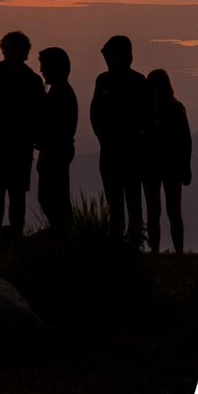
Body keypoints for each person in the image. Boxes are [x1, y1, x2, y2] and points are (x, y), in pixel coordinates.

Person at [0, 31, 45, 237]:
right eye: (7, 48)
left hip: (20, 146)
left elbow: (39, 113)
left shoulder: (33, 81)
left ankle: (16, 236)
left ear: (25, 52)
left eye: (14, 48)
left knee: (17, 194)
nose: (10, 52)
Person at [89, 35, 150, 244]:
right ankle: (117, 240)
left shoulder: (138, 81)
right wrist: (103, 138)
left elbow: (145, 116)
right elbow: (95, 114)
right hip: (110, 150)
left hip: (130, 151)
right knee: (114, 200)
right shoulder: (103, 80)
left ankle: (132, 241)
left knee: (132, 199)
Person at [144, 69, 191, 253]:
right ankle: (177, 250)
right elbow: (186, 140)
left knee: (154, 211)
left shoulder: (147, 111)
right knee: (172, 211)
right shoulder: (177, 108)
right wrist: (186, 166)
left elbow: (185, 139)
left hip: (153, 166)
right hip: (171, 166)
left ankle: (155, 250)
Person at [36, 46, 77, 237]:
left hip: (55, 152)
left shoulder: (61, 94)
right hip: (55, 151)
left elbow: (56, 127)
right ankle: (61, 233)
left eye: (44, 66)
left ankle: (61, 233)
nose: (41, 70)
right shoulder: (59, 92)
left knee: (52, 196)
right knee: (52, 196)